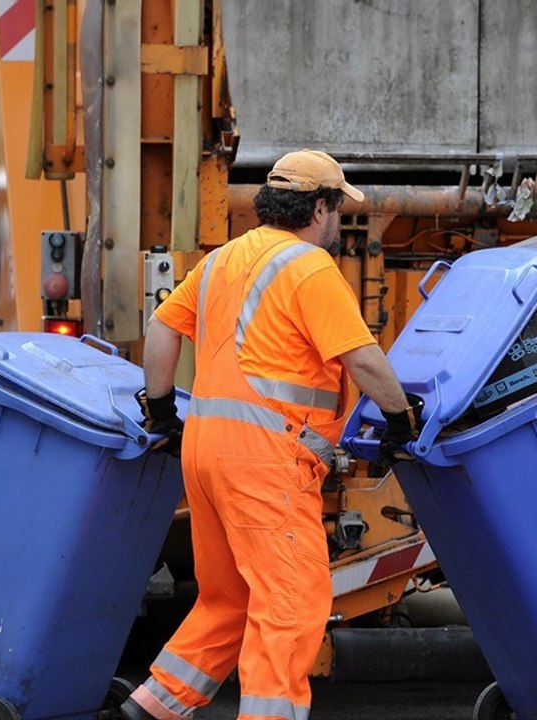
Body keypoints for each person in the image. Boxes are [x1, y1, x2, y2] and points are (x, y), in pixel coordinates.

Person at [118, 149, 421, 720]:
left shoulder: (221, 260)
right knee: (291, 604)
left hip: (205, 454)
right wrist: (402, 419)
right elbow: (364, 360)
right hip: (265, 461)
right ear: (320, 207)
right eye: (338, 210)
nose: (338, 224)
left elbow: (161, 327)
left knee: (228, 599)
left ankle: (148, 709)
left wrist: (161, 414)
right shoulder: (309, 267)